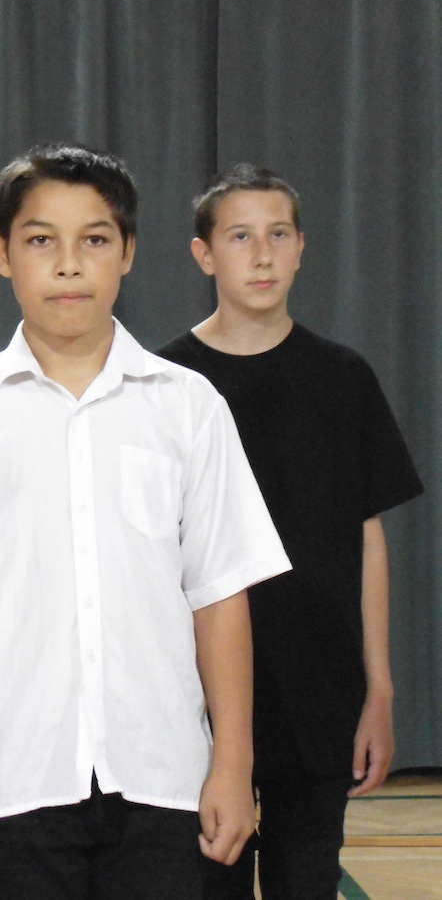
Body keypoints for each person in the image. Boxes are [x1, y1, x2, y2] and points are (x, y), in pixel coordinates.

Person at [0, 144, 293, 899]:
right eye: (41, 240)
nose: (69, 265)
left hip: (163, 776)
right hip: (13, 784)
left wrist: (233, 764)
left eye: (94, 239)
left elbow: (220, 596)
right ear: (4, 254)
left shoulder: (188, 407)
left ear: (127, 252)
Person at [157, 163, 424, 900]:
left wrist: (379, 688)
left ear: (302, 247)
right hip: (196, 701)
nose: (263, 255)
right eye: (240, 237)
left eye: (278, 234)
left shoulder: (343, 377)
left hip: (319, 690)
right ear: (204, 254)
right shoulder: (166, 385)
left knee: (306, 879)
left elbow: (366, 538)